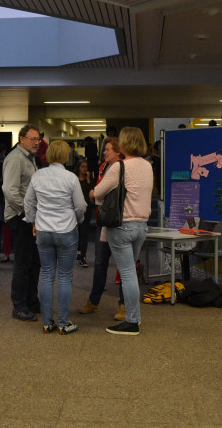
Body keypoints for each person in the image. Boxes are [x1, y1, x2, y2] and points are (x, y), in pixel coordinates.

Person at [91, 127, 153, 336]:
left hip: (122, 225)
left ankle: (132, 321)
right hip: (141, 225)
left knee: (127, 275)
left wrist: (93, 193)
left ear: (125, 144)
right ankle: (133, 317)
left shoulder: (119, 167)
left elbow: (99, 192)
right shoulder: (148, 166)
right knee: (130, 273)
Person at [24, 141, 86, 334]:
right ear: (66, 156)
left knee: (48, 275)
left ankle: (47, 322)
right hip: (66, 229)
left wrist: (33, 221)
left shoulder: (38, 175)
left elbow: (28, 202)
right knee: (65, 277)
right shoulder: (71, 178)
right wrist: (78, 219)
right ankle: (64, 323)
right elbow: (81, 205)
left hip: (43, 230)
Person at [77, 137, 125, 320]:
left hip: (118, 222)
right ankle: (93, 301)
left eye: (108, 149)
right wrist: (96, 194)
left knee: (122, 267)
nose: (104, 152)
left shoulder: (124, 169)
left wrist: (96, 194)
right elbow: (97, 193)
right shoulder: (102, 168)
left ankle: (124, 305)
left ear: (118, 151)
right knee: (99, 264)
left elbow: (99, 192)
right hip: (102, 222)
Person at [3, 124, 41, 321]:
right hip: (21, 217)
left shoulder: (30, 159)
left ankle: (31, 302)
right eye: (33, 139)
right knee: (23, 264)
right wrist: (27, 213)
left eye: (38, 139)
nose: (37, 143)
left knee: (34, 262)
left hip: (30, 218)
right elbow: (10, 191)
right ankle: (19, 306)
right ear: (22, 139)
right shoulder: (16, 158)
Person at [73, 159, 94, 268]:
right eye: (83, 166)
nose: (85, 169)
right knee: (76, 231)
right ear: (78, 167)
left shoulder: (88, 180)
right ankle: (78, 252)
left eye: (86, 166)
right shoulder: (74, 179)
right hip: (75, 209)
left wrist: (89, 179)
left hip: (86, 208)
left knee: (84, 232)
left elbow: (92, 192)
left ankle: (83, 257)